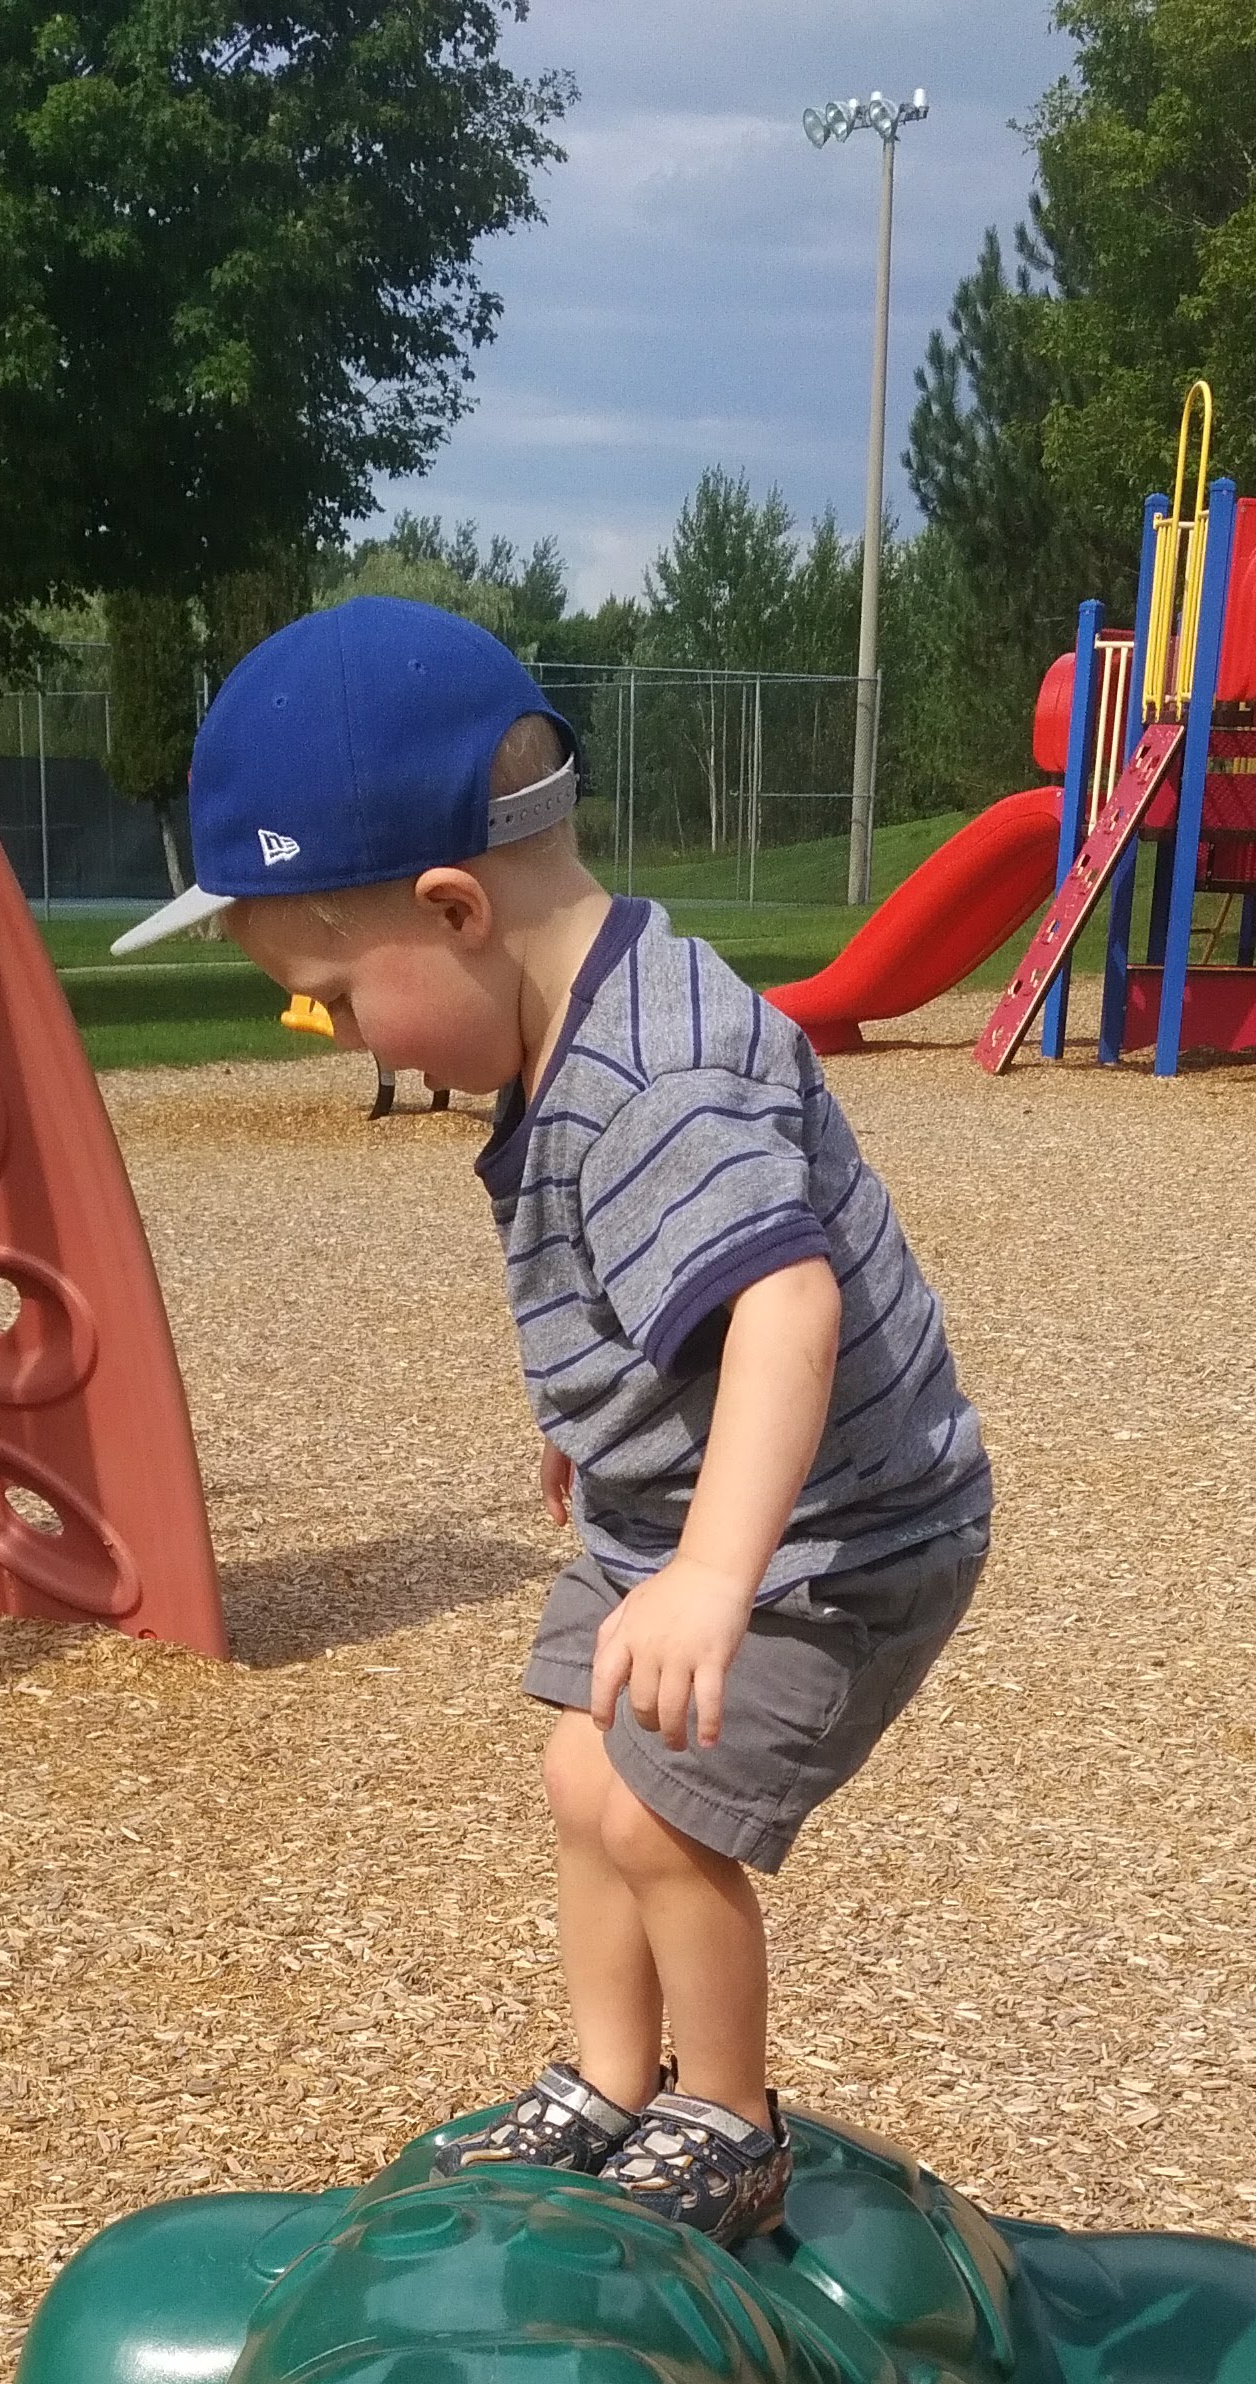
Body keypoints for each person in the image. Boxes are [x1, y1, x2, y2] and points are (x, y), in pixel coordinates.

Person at [113, 602, 990, 2249]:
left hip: (834, 1534)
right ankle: (608, 2075)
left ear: (454, 910)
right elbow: (648, 1292)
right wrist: (604, 1418)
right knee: (582, 1769)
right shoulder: (567, 1020)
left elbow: (784, 1308)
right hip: (689, 1498)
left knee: (657, 1803)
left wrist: (712, 1576)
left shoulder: (654, 1078)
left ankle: (727, 2121)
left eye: (333, 1001)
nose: (339, 1040)